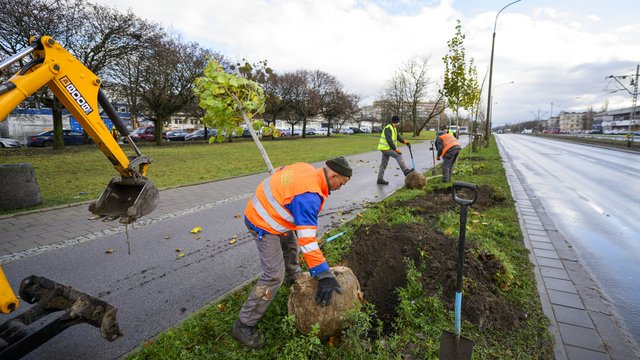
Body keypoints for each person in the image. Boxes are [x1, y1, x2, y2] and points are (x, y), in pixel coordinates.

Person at [232, 156, 353, 348]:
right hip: (263, 222)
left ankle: (293, 278)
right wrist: (324, 274)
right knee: (273, 275)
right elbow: (307, 241)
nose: (340, 187)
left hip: (274, 213)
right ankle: (244, 324)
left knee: (290, 246)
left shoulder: (306, 169)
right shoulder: (309, 196)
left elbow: (280, 171)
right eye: (342, 183)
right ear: (333, 174)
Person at [376, 115, 413, 185]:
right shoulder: (388, 128)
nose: (399, 124)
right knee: (398, 155)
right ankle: (405, 170)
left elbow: (398, 137)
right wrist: (395, 149)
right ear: (396, 122)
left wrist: (405, 142)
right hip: (385, 148)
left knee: (383, 164)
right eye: (398, 122)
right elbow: (389, 140)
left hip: (385, 148)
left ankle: (380, 179)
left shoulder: (394, 128)